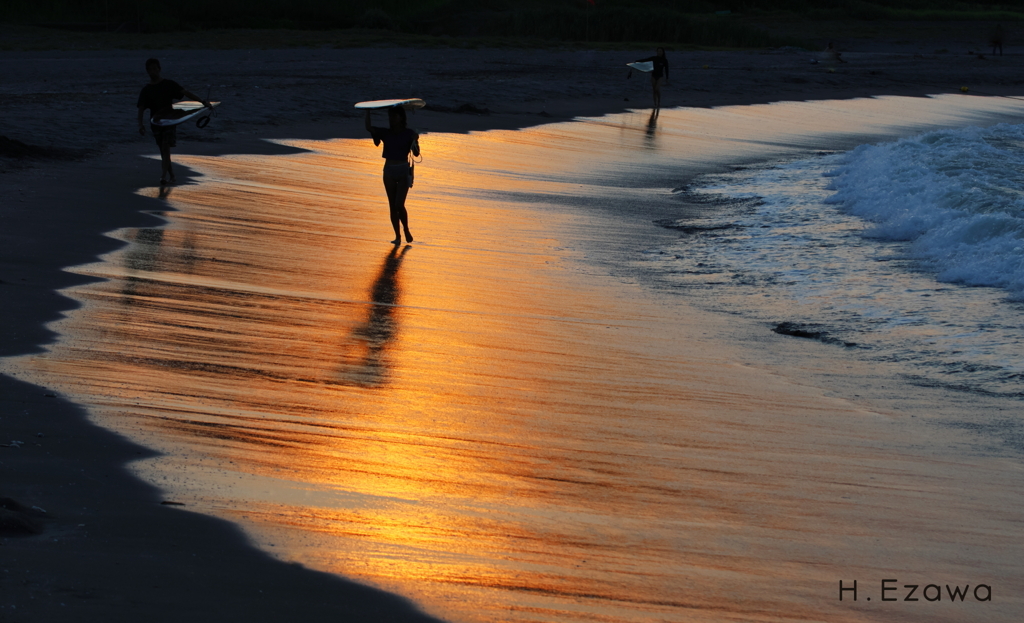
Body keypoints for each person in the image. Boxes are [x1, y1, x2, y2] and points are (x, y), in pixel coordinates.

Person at [137, 58, 209, 185]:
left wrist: (203, 102)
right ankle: (172, 176)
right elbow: (141, 109)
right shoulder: (146, 90)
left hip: (170, 120)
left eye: (155, 68)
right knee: (162, 150)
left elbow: (186, 93)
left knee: (165, 148)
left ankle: (163, 176)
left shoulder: (169, 84)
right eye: (150, 69)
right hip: (156, 122)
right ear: (147, 71)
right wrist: (140, 125)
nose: (153, 71)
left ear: (159, 69)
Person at [365, 106, 420, 244]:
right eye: (390, 116)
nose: (391, 119)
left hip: (403, 170)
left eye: (394, 116)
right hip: (389, 171)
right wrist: (367, 111)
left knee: (399, 204)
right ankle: (398, 236)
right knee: (392, 206)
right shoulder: (386, 133)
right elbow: (369, 127)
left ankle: (406, 229)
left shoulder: (409, 133)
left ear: (401, 117)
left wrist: (416, 140)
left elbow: (417, 153)